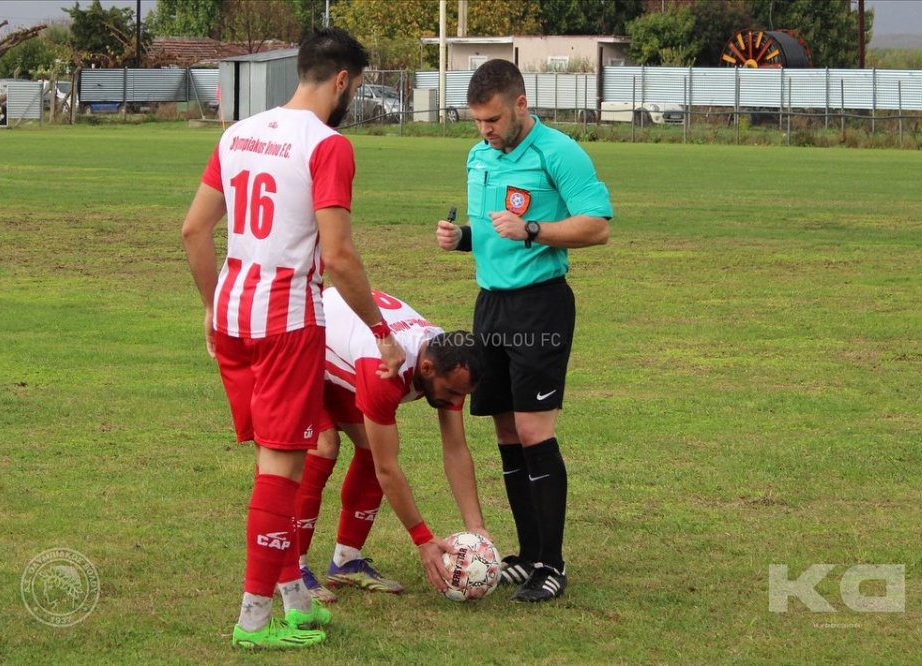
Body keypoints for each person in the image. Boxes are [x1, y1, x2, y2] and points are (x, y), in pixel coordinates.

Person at [181, 27, 405, 650]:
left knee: (273, 456)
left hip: (232, 314)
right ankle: (255, 619)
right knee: (281, 465)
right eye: (354, 86)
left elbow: (194, 231)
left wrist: (208, 306)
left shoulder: (236, 133)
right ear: (341, 81)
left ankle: (296, 600)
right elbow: (337, 256)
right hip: (285, 322)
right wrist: (381, 332)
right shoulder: (329, 145)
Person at [435, 59, 612, 602]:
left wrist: (534, 228)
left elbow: (596, 227)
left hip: (540, 307)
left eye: (492, 119)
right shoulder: (478, 155)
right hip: (490, 306)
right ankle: (527, 554)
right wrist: (461, 237)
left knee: (536, 433)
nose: (484, 130)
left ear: (520, 104)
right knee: (506, 432)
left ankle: (552, 565)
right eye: (477, 122)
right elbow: (494, 232)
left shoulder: (559, 153)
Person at [293, 287, 488, 602]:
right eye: (453, 393)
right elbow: (388, 470)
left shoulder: (446, 359)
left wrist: (475, 527)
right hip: (297, 347)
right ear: (426, 369)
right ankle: (290, 569)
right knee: (324, 445)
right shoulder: (385, 371)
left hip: (335, 347)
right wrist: (423, 540)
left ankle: (346, 561)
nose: (456, 401)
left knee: (372, 447)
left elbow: (455, 449)